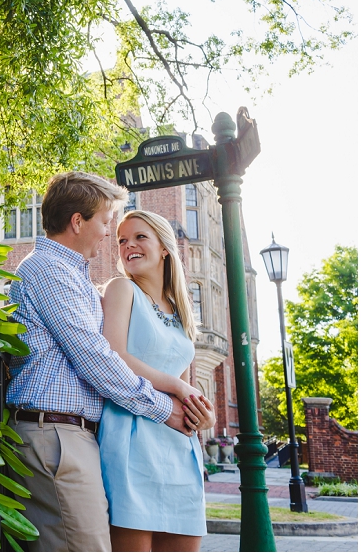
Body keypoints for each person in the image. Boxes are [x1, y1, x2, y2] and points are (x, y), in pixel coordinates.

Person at [5, 172, 197, 552]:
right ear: (78, 221)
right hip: (55, 435)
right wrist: (167, 408)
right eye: (107, 222)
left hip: (72, 435)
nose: (110, 235)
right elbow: (97, 359)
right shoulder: (48, 270)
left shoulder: (71, 274)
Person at [98, 210, 215, 551]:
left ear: (164, 247)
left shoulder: (180, 313)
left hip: (179, 448)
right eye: (121, 240)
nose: (128, 246)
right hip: (131, 442)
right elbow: (114, 354)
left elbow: (182, 387)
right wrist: (180, 387)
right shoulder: (122, 289)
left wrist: (204, 415)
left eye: (139, 237)